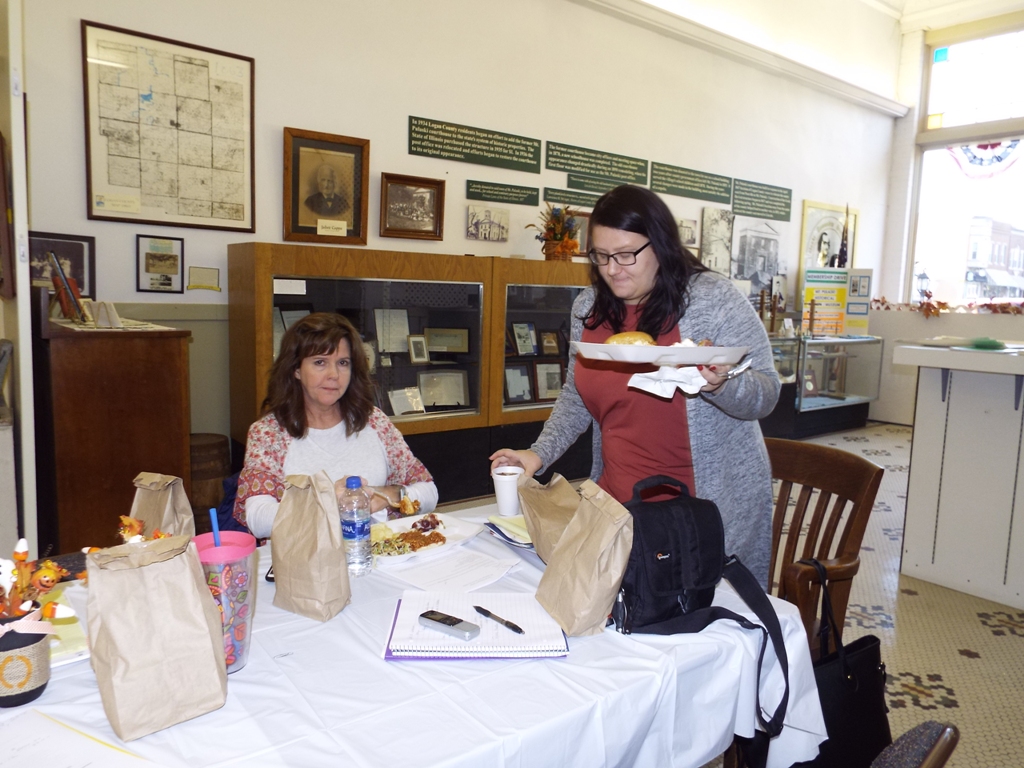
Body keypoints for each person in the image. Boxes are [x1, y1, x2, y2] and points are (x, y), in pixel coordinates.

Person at [489, 185, 779, 585]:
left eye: (626, 255)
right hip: (617, 504)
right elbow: (576, 396)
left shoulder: (712, 300)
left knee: (701, 614)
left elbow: (767, 394)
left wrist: (721, 385)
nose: (612, 269)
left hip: (700, 511)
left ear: (660, 245)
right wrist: (537, 454)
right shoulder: (589, 307)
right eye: (601, 255)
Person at [234, 313, 437, 537]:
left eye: (343, 363)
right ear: (296, 369)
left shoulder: (374, 421)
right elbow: (258, 520)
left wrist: (389, 495)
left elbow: (429, 492)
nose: (334, 375)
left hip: (378, 550)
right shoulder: (268, 433)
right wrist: (330, 503)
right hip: (306, 555)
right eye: (320, 362)